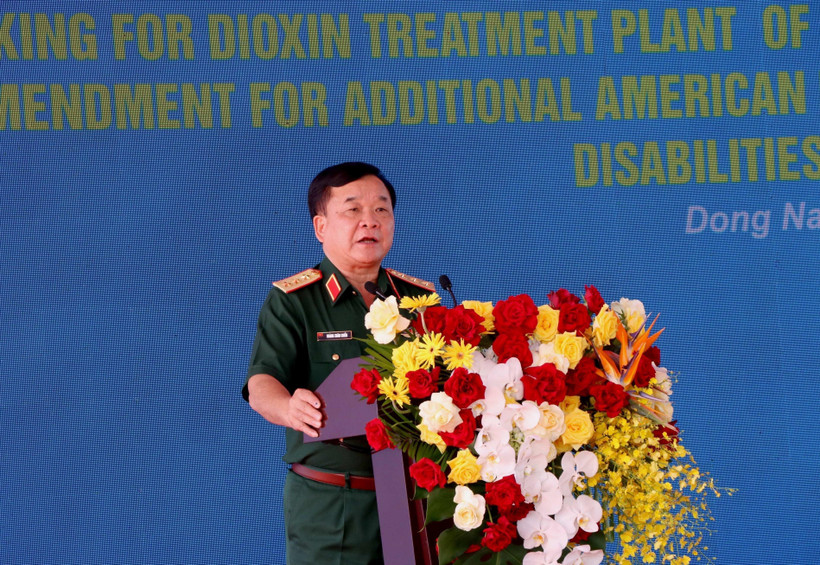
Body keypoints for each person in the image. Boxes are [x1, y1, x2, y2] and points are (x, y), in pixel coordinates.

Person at [243, 162, 433, 565]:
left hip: (414, 498)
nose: (370, 221)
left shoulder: (418, 301)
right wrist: (289, 408)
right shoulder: (293, 300)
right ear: (321, 227)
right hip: (333, 502)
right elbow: (262, 384)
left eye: (382, 210)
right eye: (353, 210)